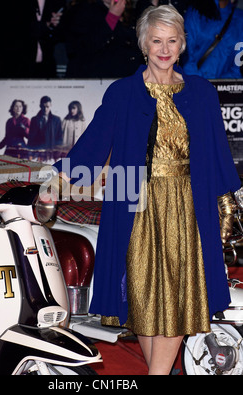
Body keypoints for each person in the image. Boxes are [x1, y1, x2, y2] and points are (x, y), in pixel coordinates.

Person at [52, 5, 241, 375]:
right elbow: (92, 146)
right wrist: (53, 183)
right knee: (143, 299)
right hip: (134, 206)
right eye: (157, 40)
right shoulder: (123, 93)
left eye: (172, 40)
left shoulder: (201, 93)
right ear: (143, 44)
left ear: (182, 44)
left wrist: (227, 205)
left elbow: (218, 154)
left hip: (187, 207)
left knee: (176, 295)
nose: (164, 48)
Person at [0, 0, 66, 78]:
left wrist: (56, 25)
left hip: (44, 71)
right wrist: (38, 28)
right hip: (9, 69)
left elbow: (60, 32)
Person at [64, 0, 143, 78]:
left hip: (125, 79)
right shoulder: (82, 10)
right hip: (94, 82)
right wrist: (112, 18)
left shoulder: (132, 13)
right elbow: (81, 48)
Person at [183, 0, 243, 79]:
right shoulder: (195, 13)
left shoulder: (240, 18)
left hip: (226, 87)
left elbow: (238, 69)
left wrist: (221, 85)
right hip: (195, 84)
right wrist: (202, 85)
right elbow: (186, 58)